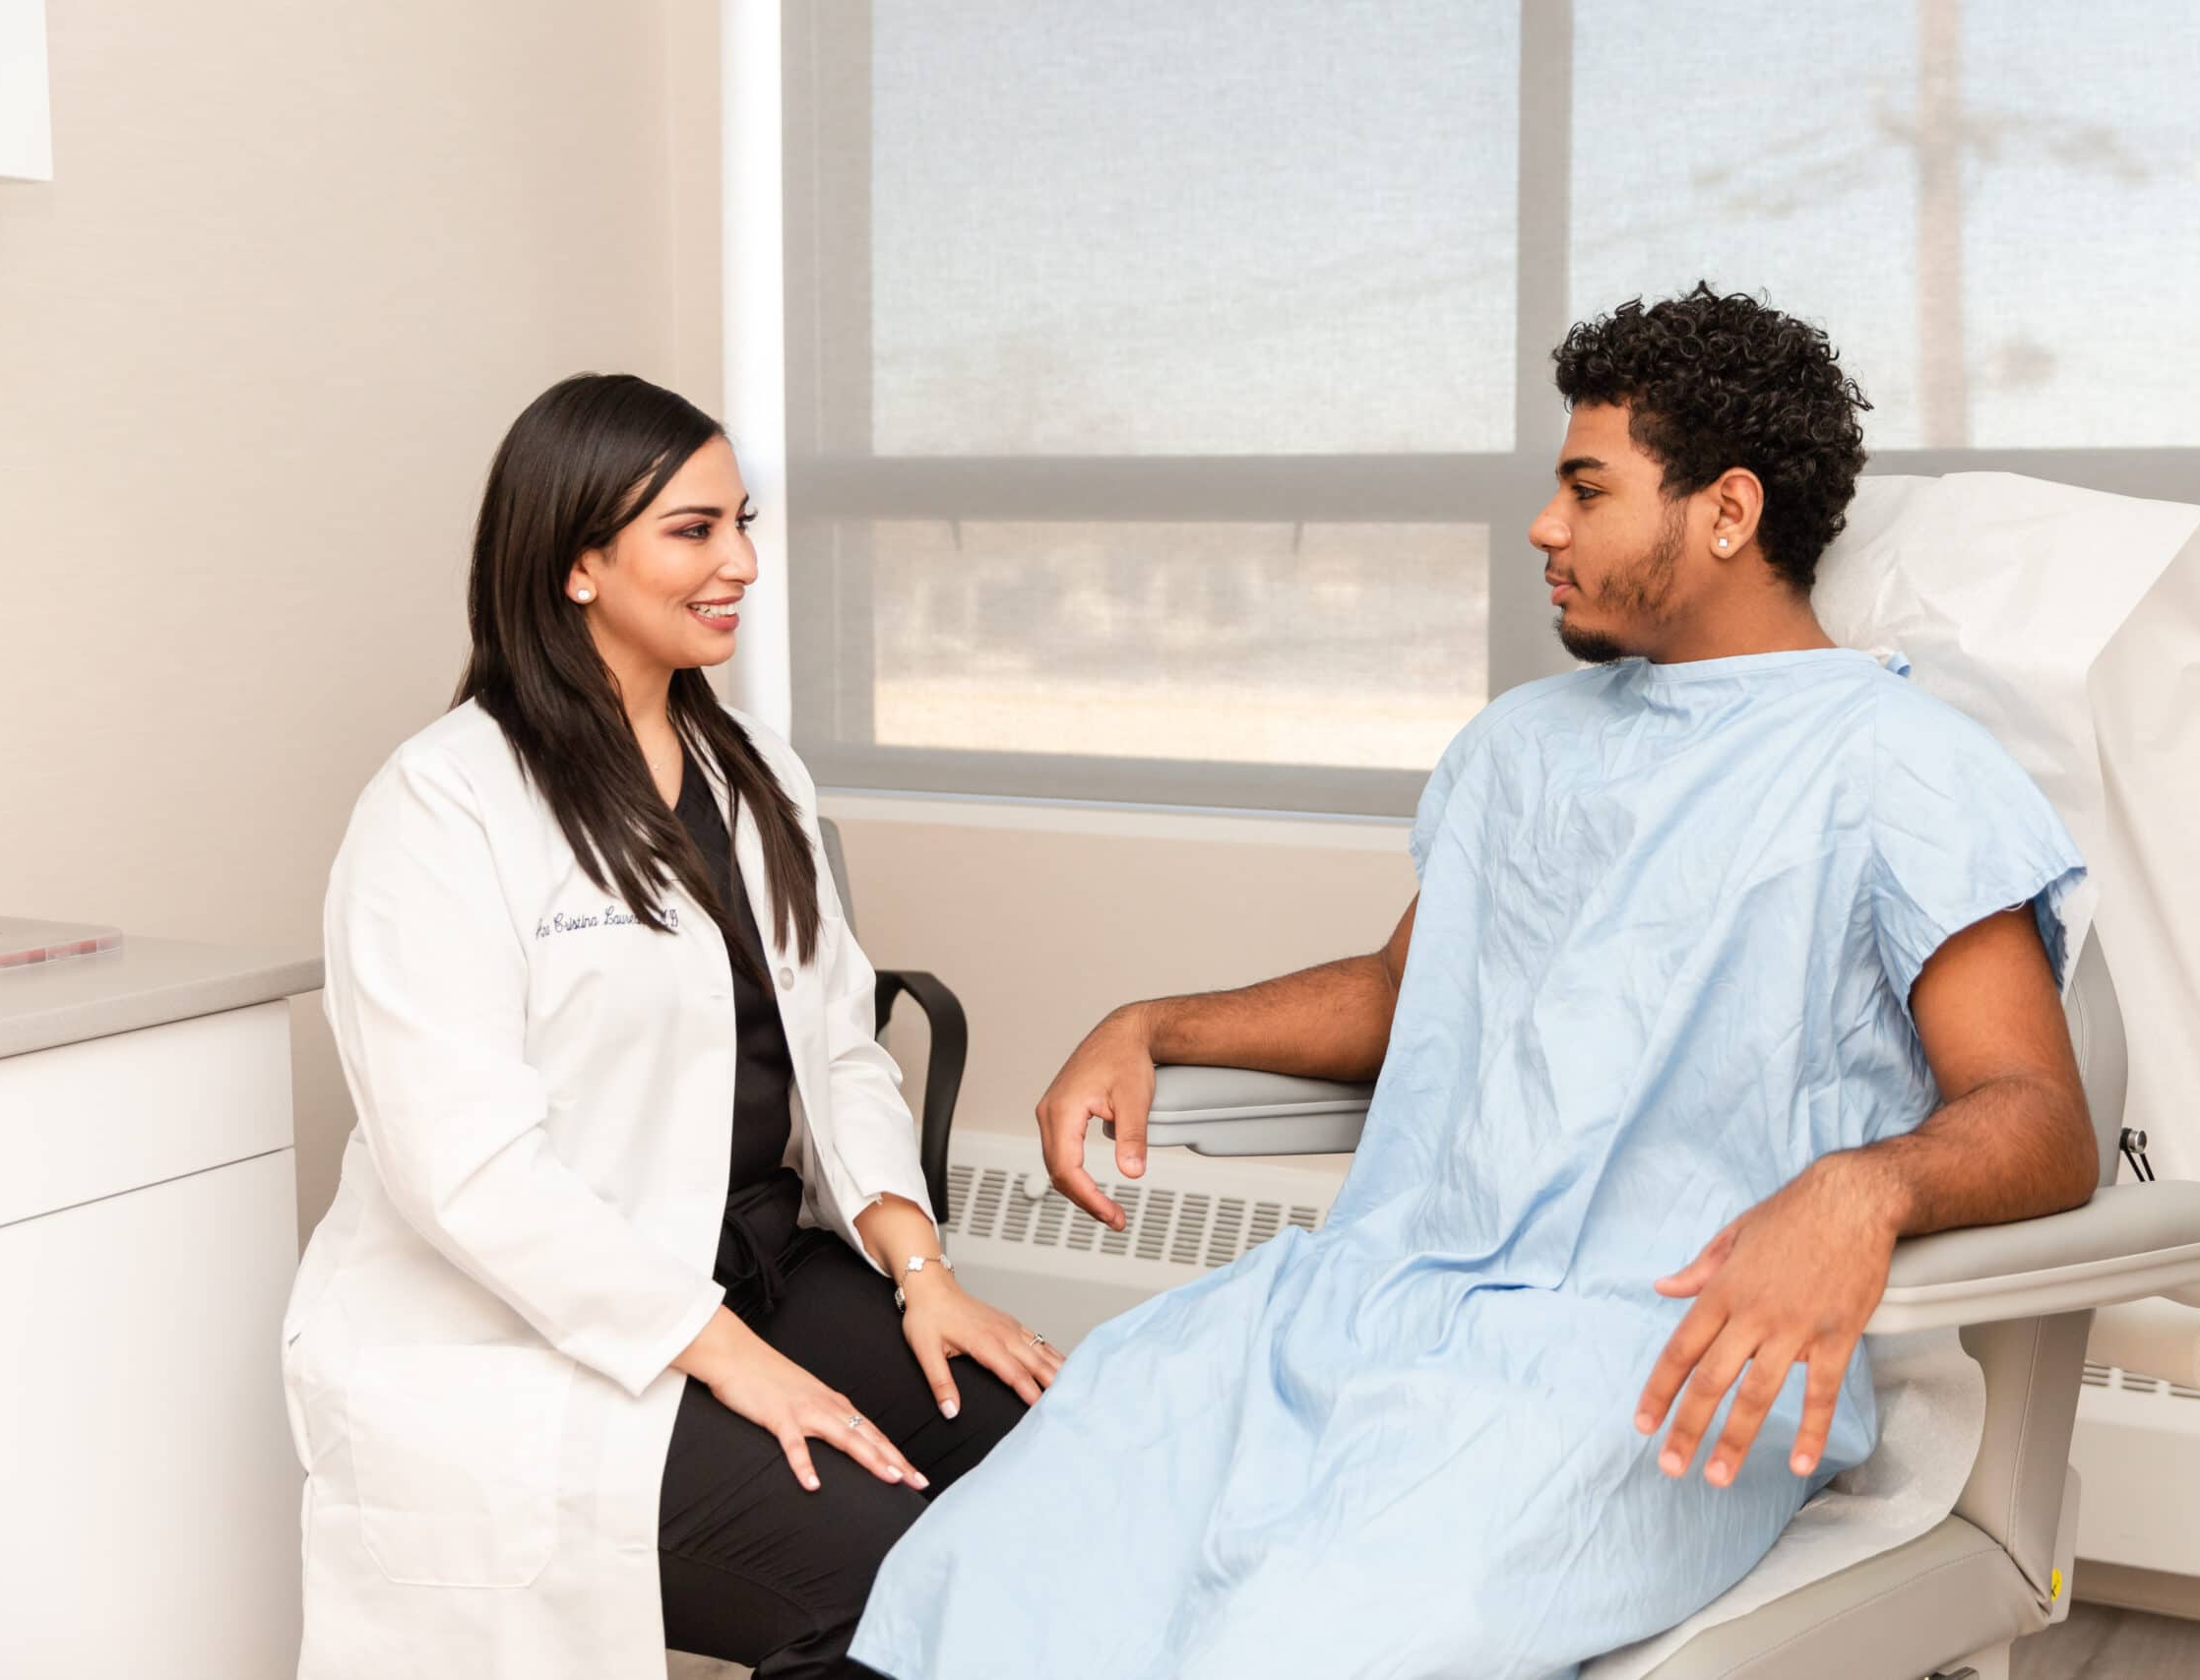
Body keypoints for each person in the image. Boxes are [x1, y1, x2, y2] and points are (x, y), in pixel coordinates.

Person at [847, 287, 2098, 1680]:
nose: (1544, 528)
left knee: (1281, 1651)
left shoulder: (1900, 766)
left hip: (1634, 1365)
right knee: (993, 1571)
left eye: (1586, 488)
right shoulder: (1525, 746)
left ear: (1727, 511)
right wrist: (1151, 1023)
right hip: (1359, 1308)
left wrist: (1862, 1191)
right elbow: (1411, 990)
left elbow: (2039, 1114)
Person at [281, 374, 1055, 1680]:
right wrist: (737, 1365)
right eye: (694, 531)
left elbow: (841, 1048)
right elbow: (468, 1173)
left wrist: (923, 1274)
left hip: (757, 1264)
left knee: (1058, 1463)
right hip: (538, 1327)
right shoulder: (443, 808)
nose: (742, 563)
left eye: (741, 523)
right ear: (575, 561)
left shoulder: (756, 770)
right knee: (870, 1566)